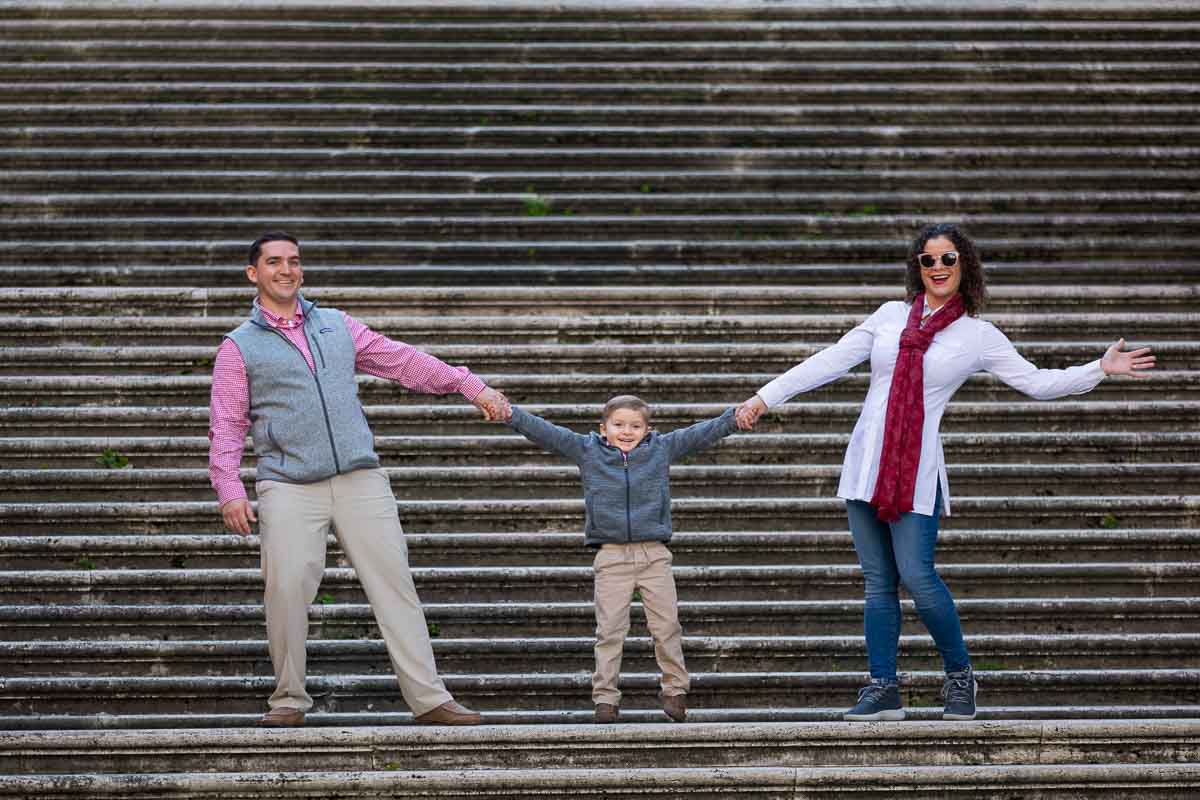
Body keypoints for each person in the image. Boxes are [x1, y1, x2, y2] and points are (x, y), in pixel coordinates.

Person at [735, 223, 1155, 722]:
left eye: (948, 259)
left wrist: (1098, 369)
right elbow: (828, 361)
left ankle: (960, 677)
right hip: (866, 466)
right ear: (917, 267)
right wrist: (765, 396)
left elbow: (1037, 383)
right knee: (877, 583)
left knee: (918, 576)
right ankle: (883, 687)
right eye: (928, 260)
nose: (938, 268)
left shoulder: (977, 335)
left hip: (916, 475)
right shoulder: (889, 318)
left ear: (965, 266)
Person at [208, 231, 511, 727]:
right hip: (287, 484)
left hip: (359, 478)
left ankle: (430, 699)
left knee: (395, 584)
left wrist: (468, 385)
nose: (286, 270)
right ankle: (288, 700)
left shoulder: (336, 325)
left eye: (294, 261)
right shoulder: (238, 347)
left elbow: (403, 361)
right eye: (274, 262)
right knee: (285, 589)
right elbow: (226, 423)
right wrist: (229, 489)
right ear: (253, 273)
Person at [500, 395, 741, 723]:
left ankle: (675, 690)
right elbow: (546, 432)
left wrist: (734, 416)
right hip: (611, 555)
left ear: (647, 429)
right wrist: (510, 413)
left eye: (635, 426)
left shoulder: (660, 449)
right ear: (603, 429)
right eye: (619, 425)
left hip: (653, 554)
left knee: (667, 625)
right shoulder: (587, 451)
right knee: (610, 629)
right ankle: (606, 698)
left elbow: (700, 433)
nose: (627, 431)